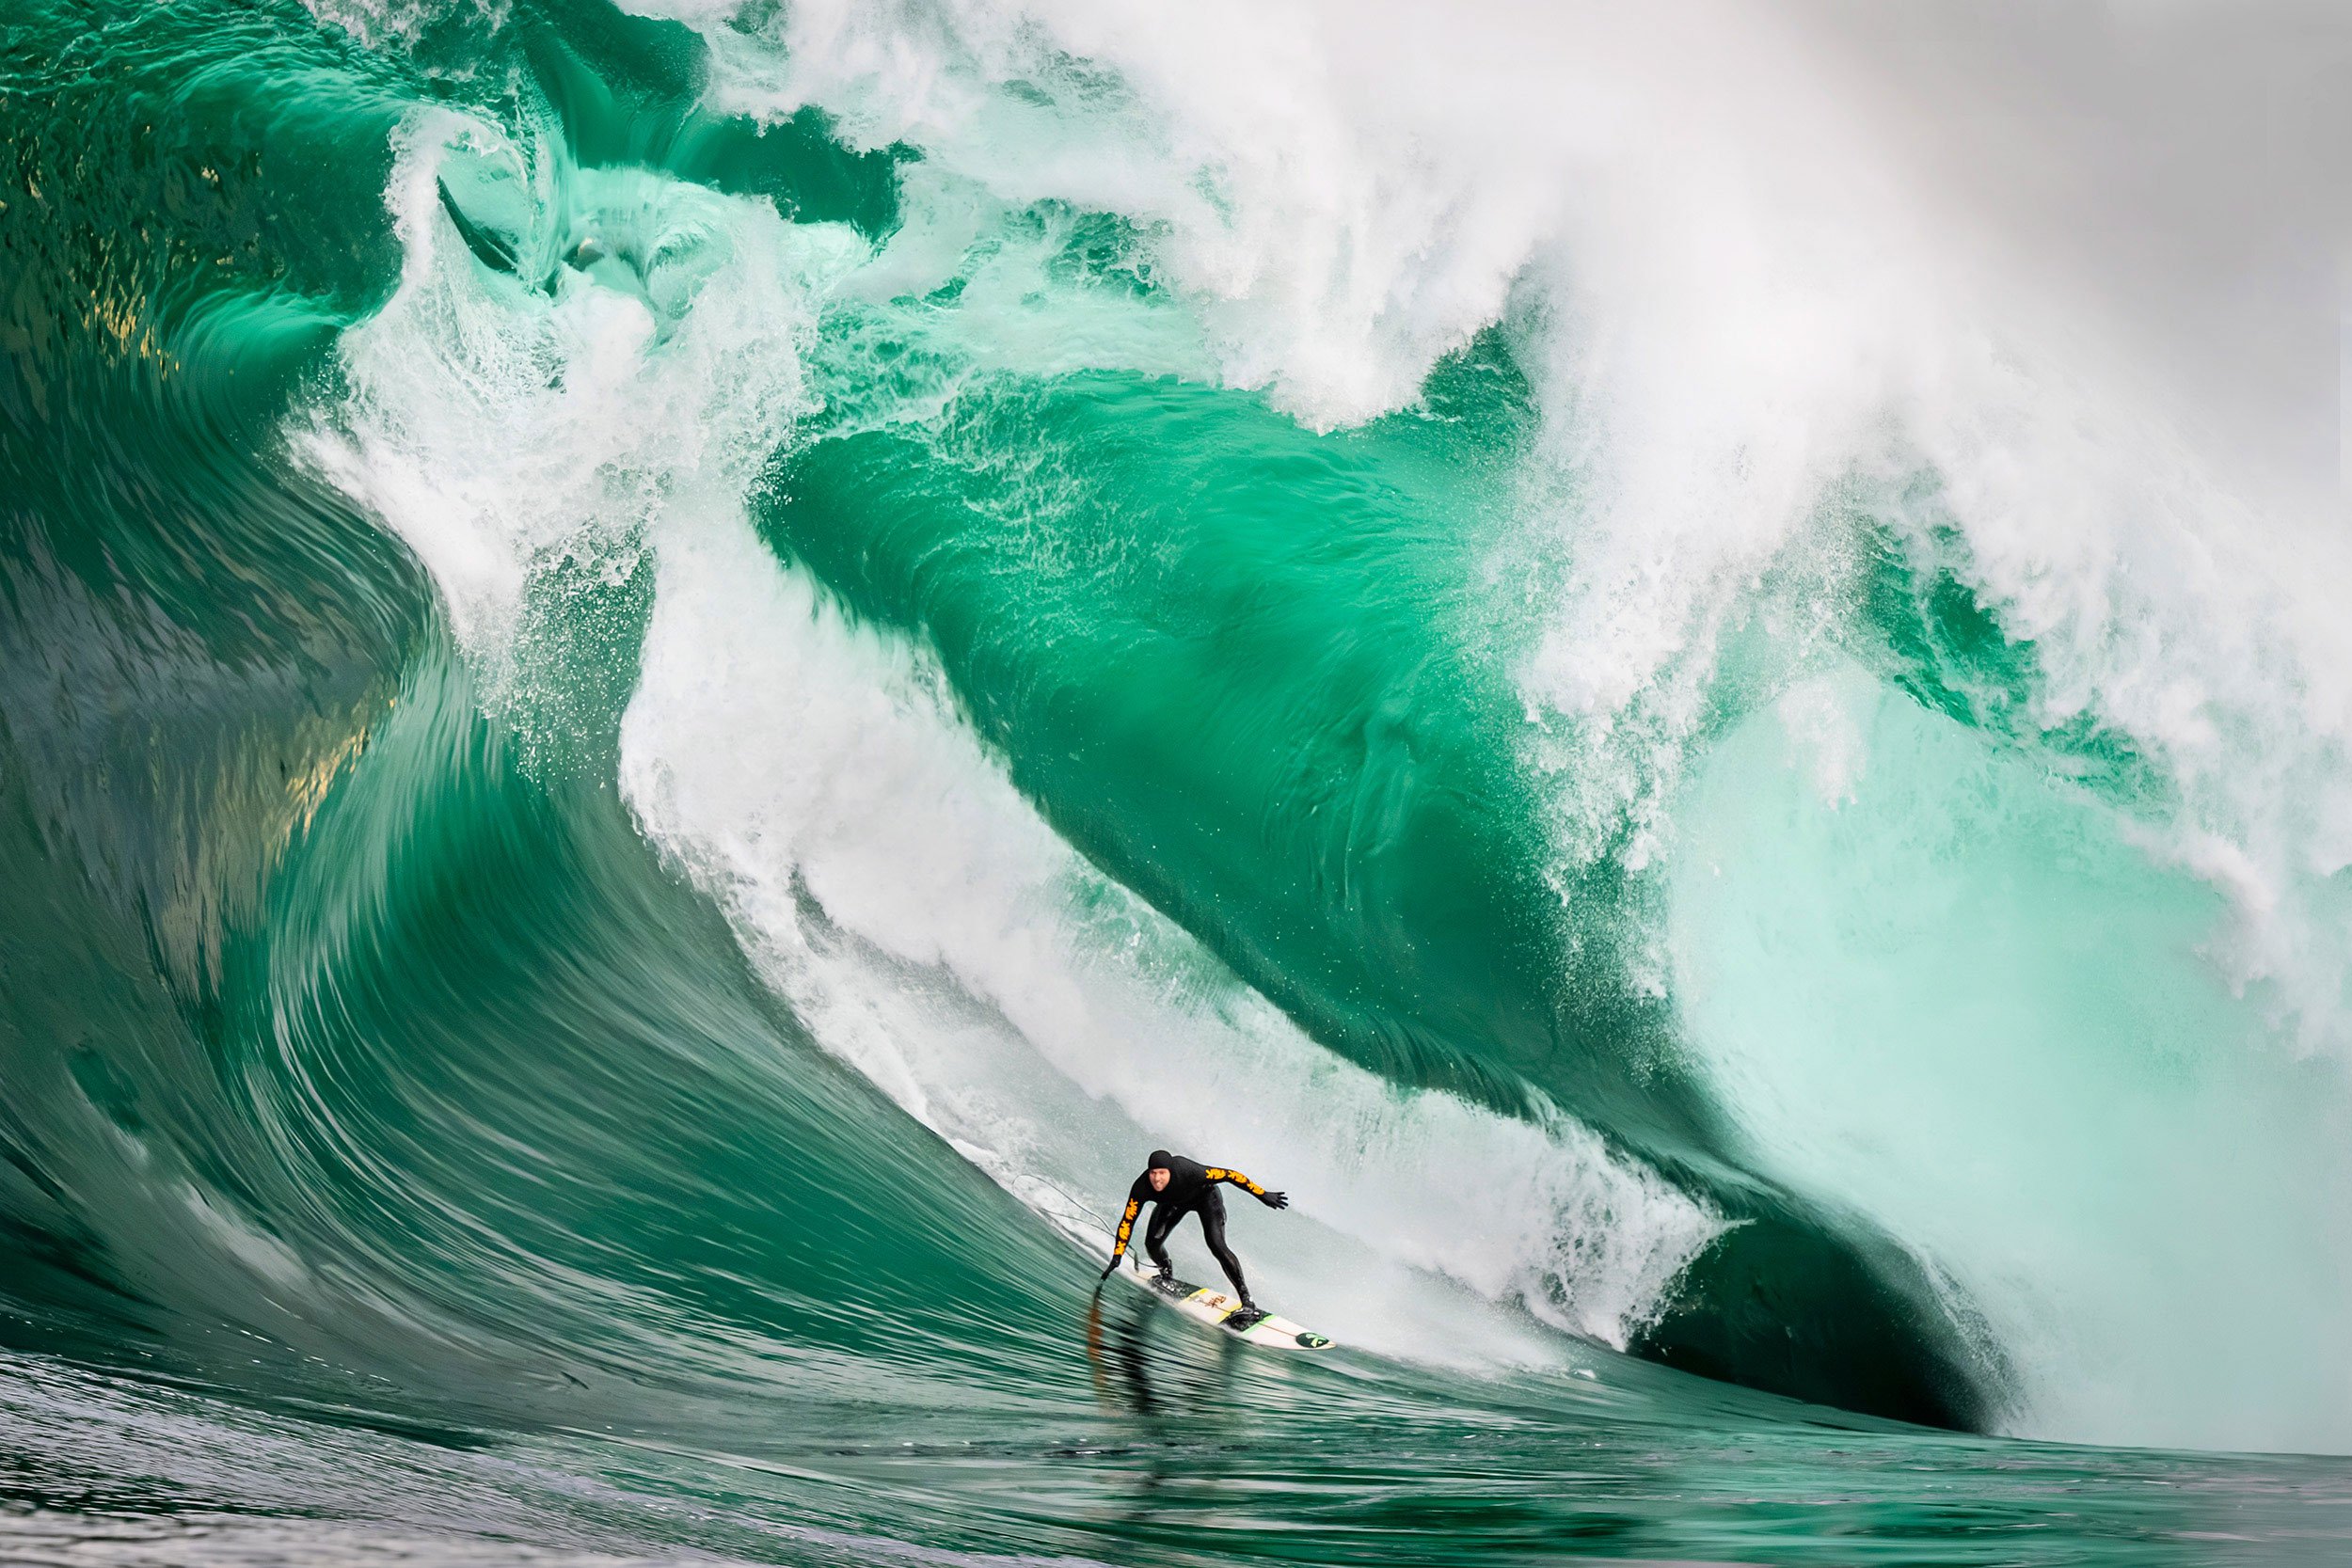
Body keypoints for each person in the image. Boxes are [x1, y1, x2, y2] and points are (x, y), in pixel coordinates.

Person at [1099, 1148, 1288, 1311]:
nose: (1157, 1179)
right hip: (1173, 1204)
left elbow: (1230, 1175)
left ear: (1170, 1171)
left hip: (1207, 1200)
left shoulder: (1189, 1171)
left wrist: (1262, 1194)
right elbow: (1127, 1221)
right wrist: (1117, 1255)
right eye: (1153, 1173)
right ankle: (1166, 1273)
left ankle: (1247, 1300)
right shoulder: (1142, 1187)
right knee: (1153, 1242)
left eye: (1162, 1173)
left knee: (1216, 1244)